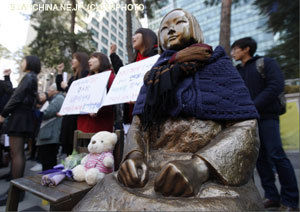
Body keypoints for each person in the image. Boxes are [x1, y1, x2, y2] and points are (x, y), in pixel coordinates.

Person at [73, 9, 262, 211]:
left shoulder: (219, 66)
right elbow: (139, 124)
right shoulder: (154, 74)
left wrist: (200, 167)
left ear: (195, 29)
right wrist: (134, 155)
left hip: (206, 177)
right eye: (164, 27)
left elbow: (245, 127)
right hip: (148, 172)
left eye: (179, 23)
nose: (171, 30)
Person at [231, 37, 299, 210]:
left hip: (268, 118)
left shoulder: (265, 63)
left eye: (235, 49)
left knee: (277, 155)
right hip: (249, 122)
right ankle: (271, 196)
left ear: (246, 49)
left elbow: (275, 86)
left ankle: (290, 199)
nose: (232, 53)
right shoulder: (237, 71)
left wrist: (253, 106)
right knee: (260, 160)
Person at [0, 55, 41, 205]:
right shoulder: (31, 78)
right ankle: (16, 191)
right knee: (17, 153)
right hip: (23, 117)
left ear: (30, 63)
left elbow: (16, 96)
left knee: (16, 153)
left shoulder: (29, 77)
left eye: (23, 60)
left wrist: (3, 113)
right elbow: (14, 92)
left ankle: (15, 192)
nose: (21, 63)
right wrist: (7, 77)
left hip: (20, 117)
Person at [56, 52, 89, 155]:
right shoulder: (73, 77)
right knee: (67, 144)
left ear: (81, 61)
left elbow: (78, 94)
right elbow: (60, 88)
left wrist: (66, 87)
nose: (72, 61)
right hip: (69, 114)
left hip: (77, 115)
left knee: (73, 143)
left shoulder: (85, 74)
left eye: (75, 58)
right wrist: (59, 73)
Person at [77, 52, 115, 133]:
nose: (89, 61)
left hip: (100, 124)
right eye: (89, 59)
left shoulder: (110, 77)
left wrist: (99, 109)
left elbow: (112, 99)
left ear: (102, 60)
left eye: (93, 58)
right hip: (83, 123)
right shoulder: (86, 79)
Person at [36, 83, 65, 171]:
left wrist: (38, 112)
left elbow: (47, 113)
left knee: (48, 162)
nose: (48, 92)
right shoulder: (54, 99)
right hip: (48, 135)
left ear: (55, 90)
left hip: (50, 135)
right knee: (47, 161)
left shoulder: (58, 98)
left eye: (49, 90)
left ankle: (48, 180)